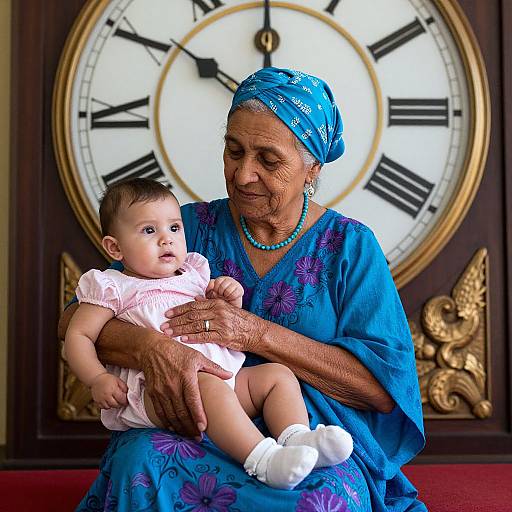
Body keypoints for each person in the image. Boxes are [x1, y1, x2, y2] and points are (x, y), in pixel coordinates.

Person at [60, 67, 426, 511]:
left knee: (324, 497)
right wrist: (149, 347)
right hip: (190, 421)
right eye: (234, 151)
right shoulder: (185, 228)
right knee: (141, 462)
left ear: (312, 167)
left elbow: (381, 388)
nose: (242, 174)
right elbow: (75, 317)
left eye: (268, 160)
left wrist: (254, 333)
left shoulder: (349, 246)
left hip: (305, 429)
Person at [64, 178, 353, 490]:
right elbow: (77, 336)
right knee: (207, 385)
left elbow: (221, 317)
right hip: (156, 394)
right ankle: (264, 461)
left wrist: (228, 296)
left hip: (222, 381)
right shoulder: (114, 286)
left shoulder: (192, 273)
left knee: (276, 376)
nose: (166, 240)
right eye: (149, 231)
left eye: (174, 228)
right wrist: (96, 378)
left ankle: (297, 437)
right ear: (114, 247)